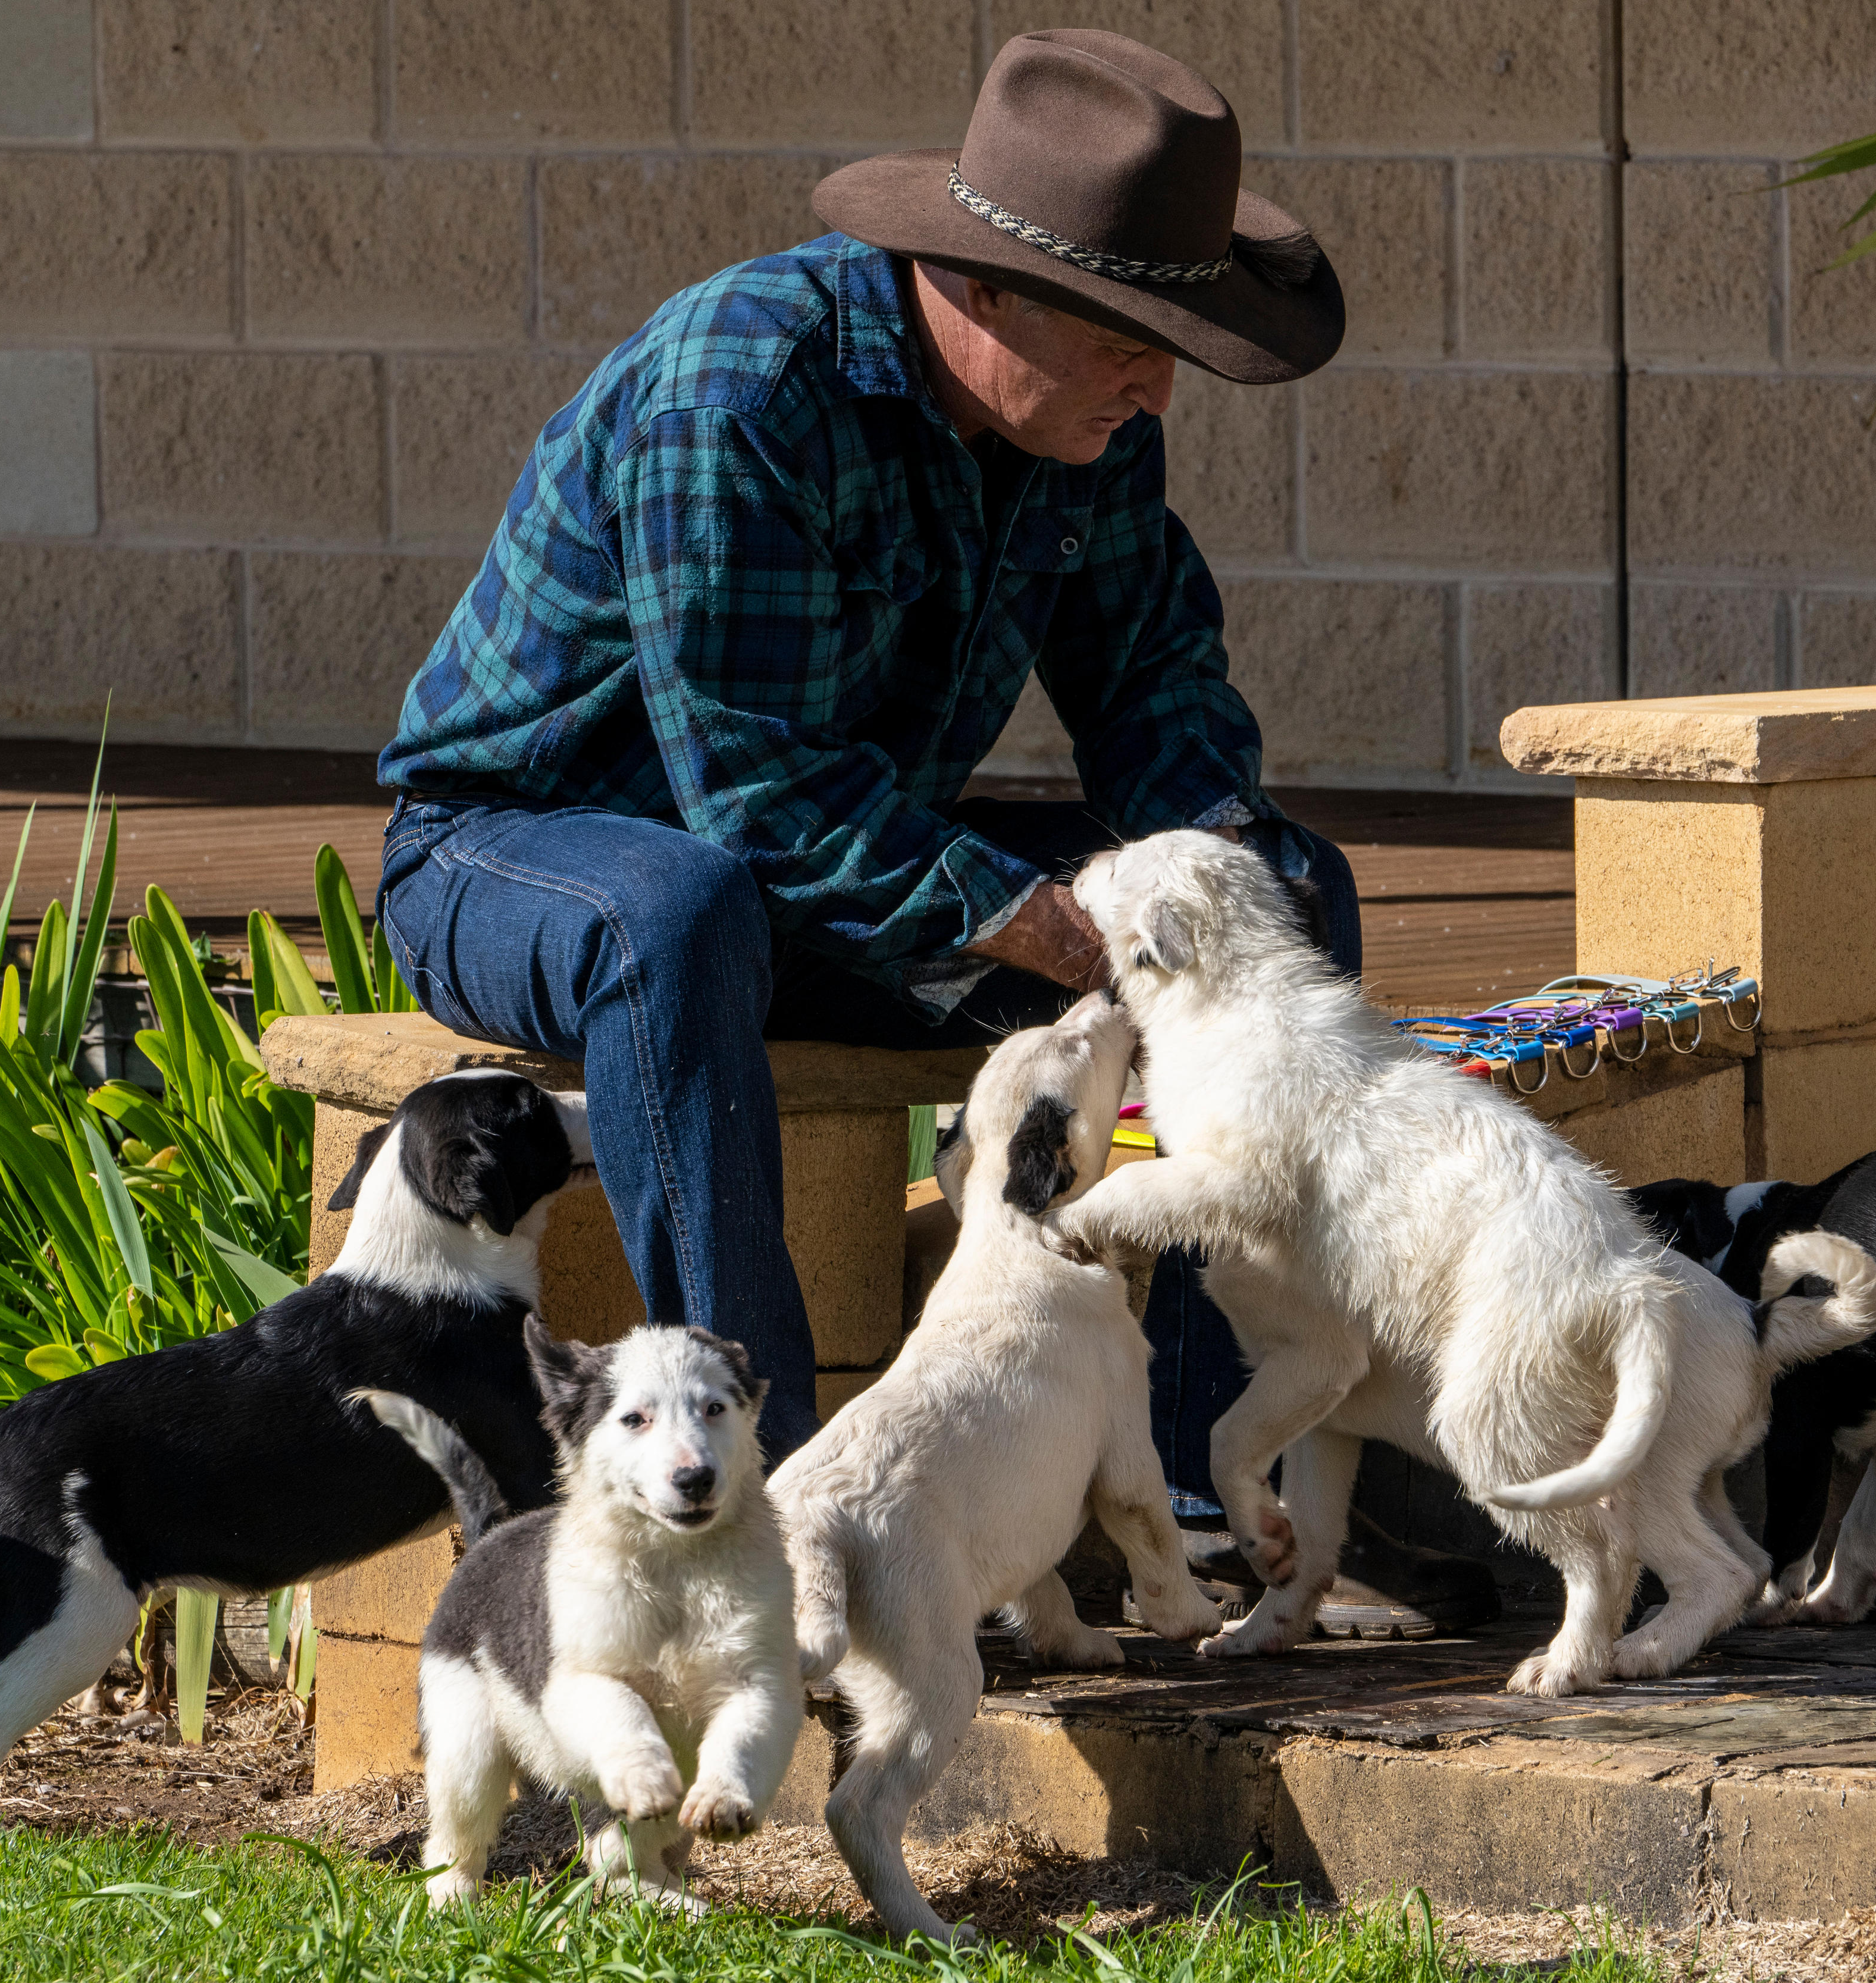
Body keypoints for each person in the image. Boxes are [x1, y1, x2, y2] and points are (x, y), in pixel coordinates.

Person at [375, 30, 1490, 1631]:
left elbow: (1157, 695)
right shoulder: (743, 391)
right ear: (983, 292)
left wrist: (1213, 883)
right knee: (677, 913)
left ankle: (1182, 1504)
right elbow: (749, 786)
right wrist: (1008, 912)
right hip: (530, 850)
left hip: (818, 860)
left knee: (1278, 891)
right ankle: (788, 1529)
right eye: (1133, 333)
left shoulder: (1086, 422)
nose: (1159, 379)